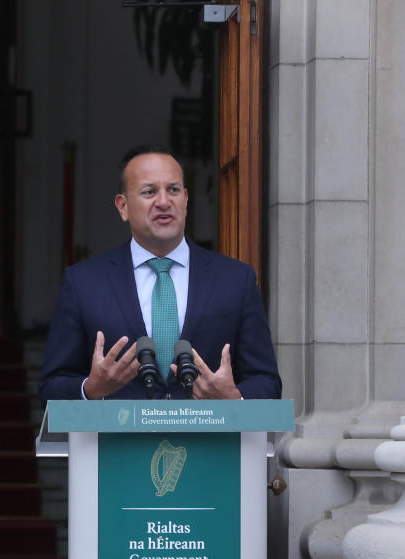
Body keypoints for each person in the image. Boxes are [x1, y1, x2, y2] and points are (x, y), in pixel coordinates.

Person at [39, 145, 281, 402]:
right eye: (149, 191)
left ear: (186, 200)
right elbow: (51, 388)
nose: (164, 202)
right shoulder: (84, 283)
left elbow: (267, 383)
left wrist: (234, 398)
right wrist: (91, 389)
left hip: (209, 441)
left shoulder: (235, 280)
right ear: (123, 207)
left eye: (173, 190)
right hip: (118, 441)